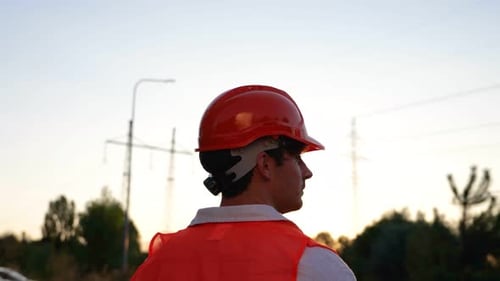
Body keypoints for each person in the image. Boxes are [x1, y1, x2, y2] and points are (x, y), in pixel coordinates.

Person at [130, 85, 356, 281]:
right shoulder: (315, 265)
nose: (307, 173)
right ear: (265, 164)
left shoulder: (159, 262)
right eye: (297, 158)